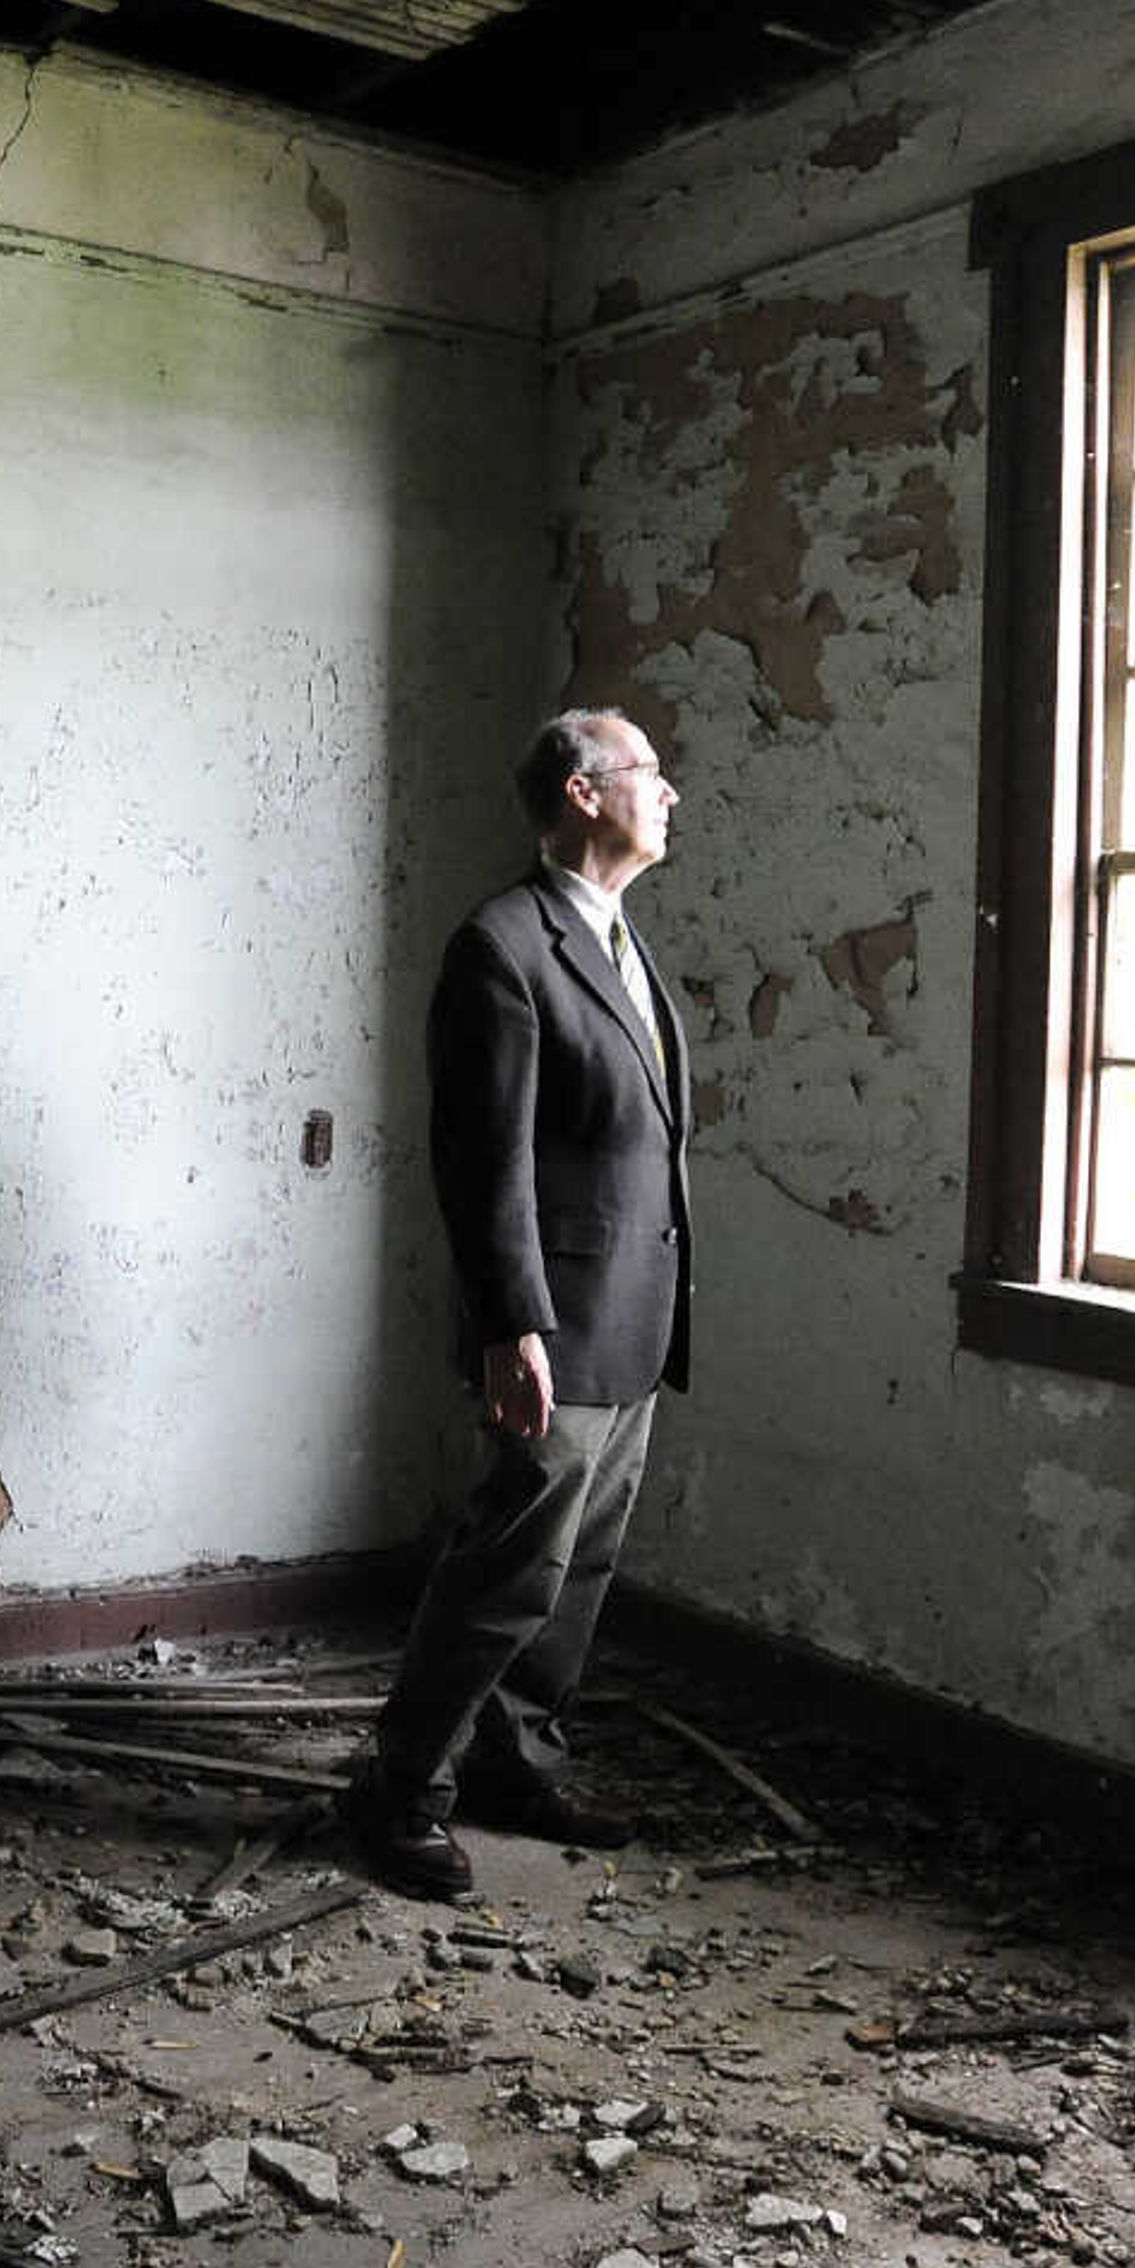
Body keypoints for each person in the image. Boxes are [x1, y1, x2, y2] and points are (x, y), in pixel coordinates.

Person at [345, 708, 694, 1899]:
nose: (672, 792)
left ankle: (516, 1762)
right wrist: (512, 1324)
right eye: (650, 772)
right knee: (508, 1574)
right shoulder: (503, 944)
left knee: (579, 1572)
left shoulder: (618, 940)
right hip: (553, 1324)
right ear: (585, 792)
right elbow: (480, 1159)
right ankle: (399, 1792)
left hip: (633, 1315)